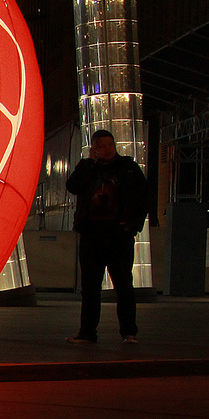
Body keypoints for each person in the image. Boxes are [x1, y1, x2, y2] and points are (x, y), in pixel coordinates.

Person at [65, 129, 148, 345]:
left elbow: (143, 197)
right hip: (92, 235)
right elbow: (72, 186)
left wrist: (133, 225)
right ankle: (87, 332)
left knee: (123, 284)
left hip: (118, 235)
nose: (107, 149)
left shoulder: (128, 168)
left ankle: (129, 332)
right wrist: (89, 163)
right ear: (95, 149)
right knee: (90, 286)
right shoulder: (87, 168)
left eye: (110, 145)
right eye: (102, 146)